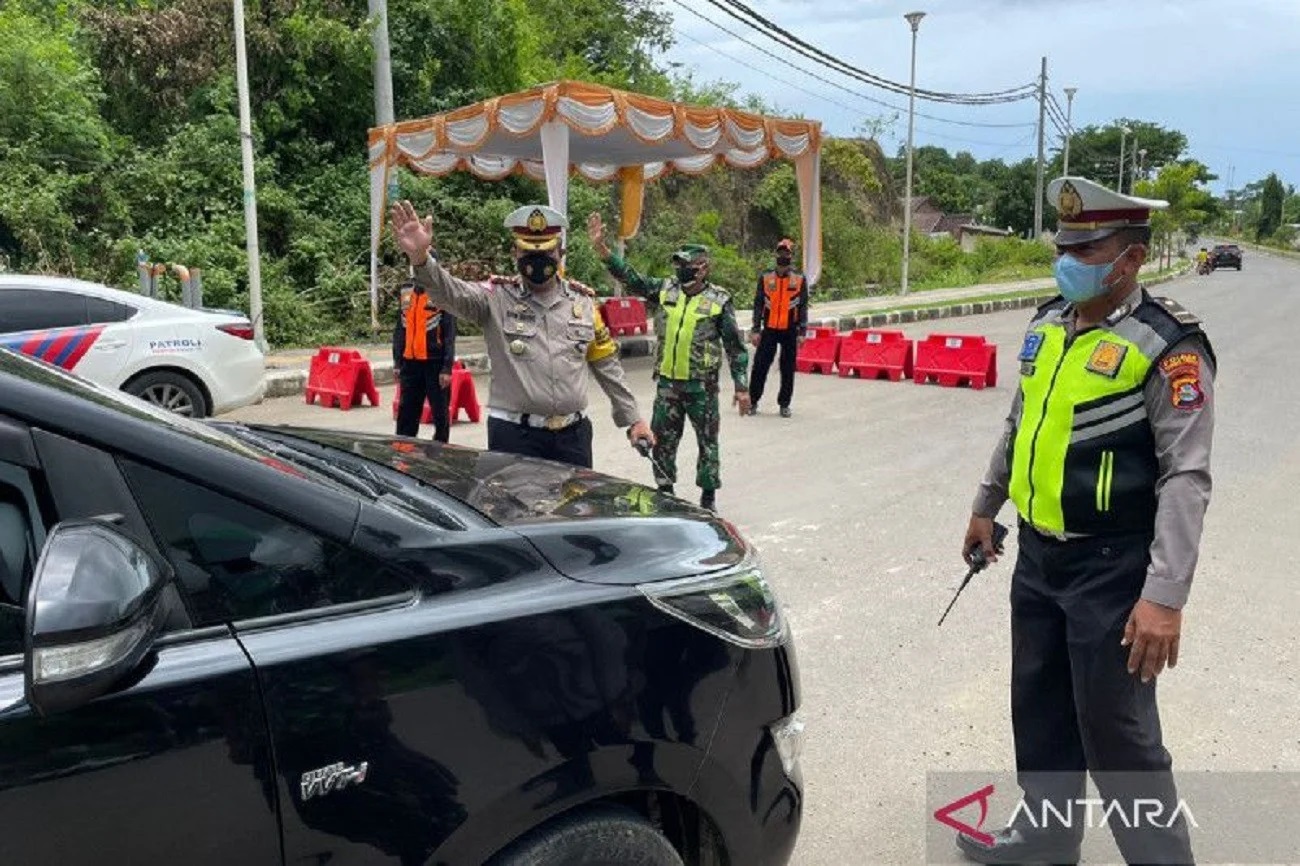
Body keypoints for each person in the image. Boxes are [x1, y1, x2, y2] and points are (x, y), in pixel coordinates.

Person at [956, 176, 1215, 865]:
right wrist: (987, 505)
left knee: (1119, 734)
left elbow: (1187, 476)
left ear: (1130, 259)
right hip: (1039, 559)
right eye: (1063, 245)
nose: (1067, 259)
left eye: (1087, 248)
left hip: (1113, 570)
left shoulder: (1168, 346)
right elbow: (1021, 425)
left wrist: (1164, 597)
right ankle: (1044, 839)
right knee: (1039, 709)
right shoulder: (1047, 325)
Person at [388, 200, 653, 468]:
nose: (538, 260)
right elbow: (449, 292)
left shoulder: (583, 304)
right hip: (515, 437)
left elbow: (606, 364)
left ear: (560, 252)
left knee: (574, 510)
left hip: (573, 437)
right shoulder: (494, 299)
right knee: (512, 510)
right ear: (514, 252)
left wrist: (633, 419)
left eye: (547, 251)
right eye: (528, 251)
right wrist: (421, 259)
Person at [588, 212, 749, 511]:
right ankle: (666, 492)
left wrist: (741, 387)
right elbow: (632, 279)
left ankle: (708, 499)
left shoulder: (719, 300)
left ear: (702, 269)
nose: (680, 269)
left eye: (686, 265)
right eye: (678, 264)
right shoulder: (665, 290)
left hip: (702, 386)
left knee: (708, 444)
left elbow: (735, 347)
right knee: (661, 443)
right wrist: (603, 251)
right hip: (668, 385)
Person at [748, 238, 810, 417]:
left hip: (790, 330)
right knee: (760, 366)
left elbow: (803, 306)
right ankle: (753, 401)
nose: (783, 255)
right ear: (776, 254)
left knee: (787, 368)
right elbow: (759, 304)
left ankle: (784, 404)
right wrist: (755, 329)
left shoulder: (799, 279)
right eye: (781, 252)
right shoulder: (766, 278)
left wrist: (802, 331)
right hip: (769, 329)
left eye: (787, 253)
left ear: (791, 256)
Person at [392, 276, 456, 442]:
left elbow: (449, 334)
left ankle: (440, 453)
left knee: (440, 413)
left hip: (435, 364)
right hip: (410, 364)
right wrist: (397, 362)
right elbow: (400, 328)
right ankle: (403, 453)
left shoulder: (443, 293)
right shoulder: (406, 291)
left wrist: (447, 368)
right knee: (406, 412)